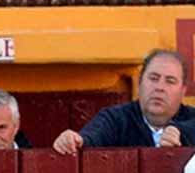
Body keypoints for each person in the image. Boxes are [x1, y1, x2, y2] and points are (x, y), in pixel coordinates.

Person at [53, 49, 195, 154]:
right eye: (153, 78)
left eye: (170, 81)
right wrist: (73, 141)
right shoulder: (116, 119)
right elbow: (90, 138)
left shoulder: (191, 119)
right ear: (139, 83)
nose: (160, 87)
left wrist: (181, 133)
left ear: (183, 91)